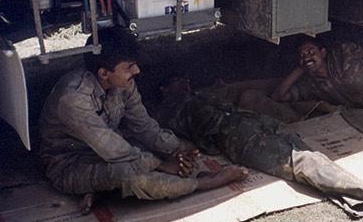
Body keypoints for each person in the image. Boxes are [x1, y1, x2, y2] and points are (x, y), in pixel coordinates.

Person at [156, 78, 363, 222]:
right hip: (237, 138)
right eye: (176, 83)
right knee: (302, 163)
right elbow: (164, 136)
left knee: (315, 161)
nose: (183, 82)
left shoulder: (203, 93)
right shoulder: (173, 110)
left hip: (253, 122)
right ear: (165, 90)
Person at [38, 29, 248, 211]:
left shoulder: (123, 85)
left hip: (111, 147)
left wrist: (176, 151)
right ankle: (205, 183)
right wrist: (163, 165)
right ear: (104, 73)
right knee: (132, 176)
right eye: (129, 67)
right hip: (70, 163)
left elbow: (143, 126)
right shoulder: (73, 99)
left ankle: (100, 189)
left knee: (165, 146)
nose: (136, 71)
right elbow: (113, 150)